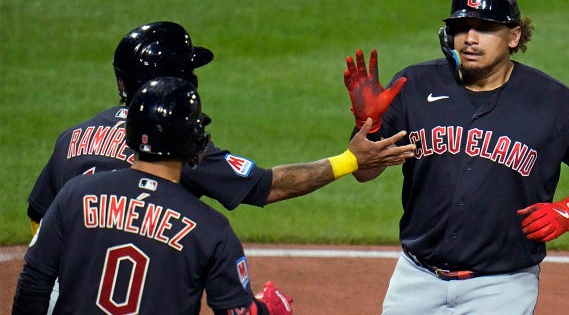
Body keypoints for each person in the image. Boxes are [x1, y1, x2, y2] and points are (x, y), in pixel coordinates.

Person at [24, 21, 415, 314]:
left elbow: (38, 223)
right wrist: (350, 160)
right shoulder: (179, 151)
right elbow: (267, 186)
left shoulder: (73, 137)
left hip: (68, 285)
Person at [342, 0, 569, 314]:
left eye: (485, 28)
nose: (471, 38)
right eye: (461, 27)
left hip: (502, 288)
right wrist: (369, 126)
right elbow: (363, 172)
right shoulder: (415, 85)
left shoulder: (554, 104)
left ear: (514, 36)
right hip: (415, 278)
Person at [13, 77, 294, 314]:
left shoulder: (74, 195)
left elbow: (33, 285)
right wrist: (268, 309)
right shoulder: (210, 229)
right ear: (194, 141)